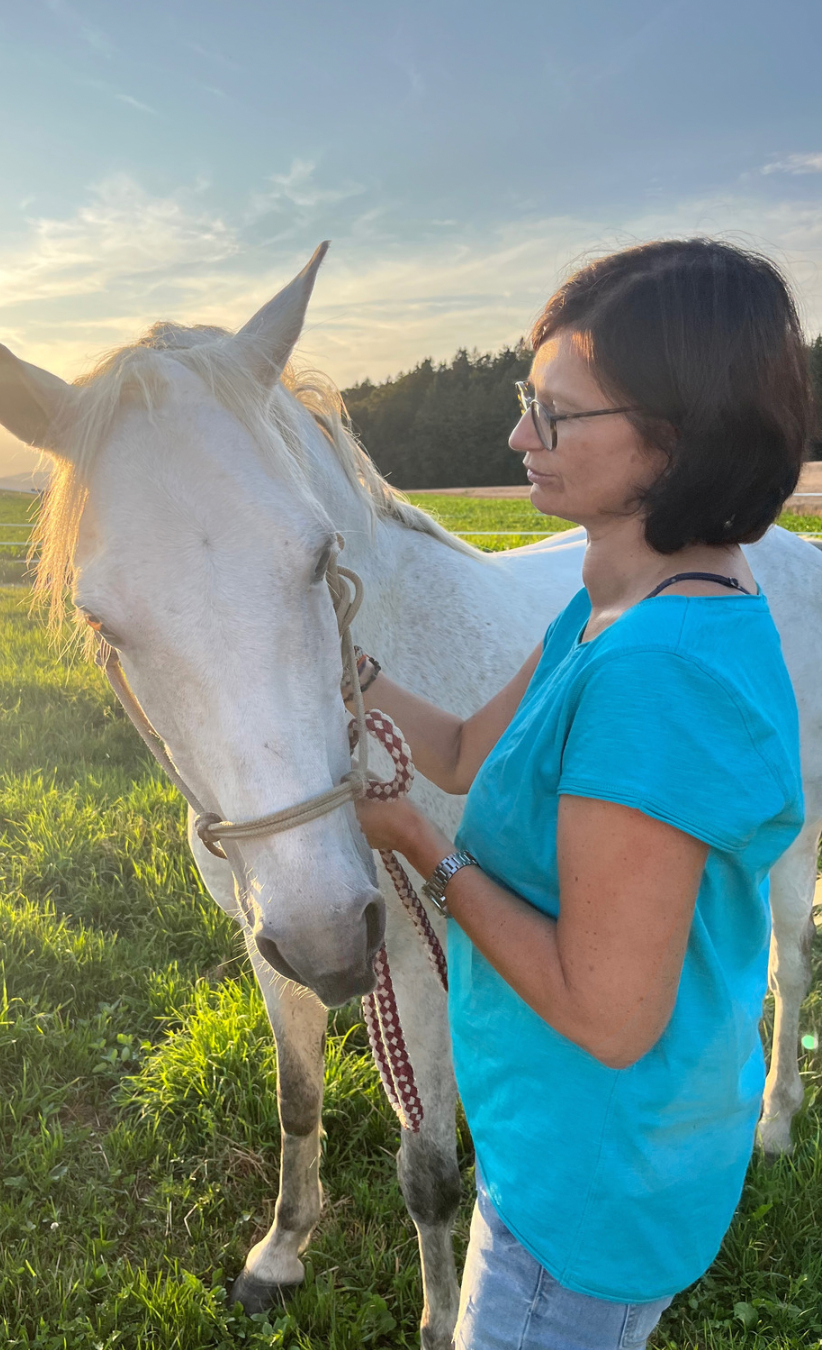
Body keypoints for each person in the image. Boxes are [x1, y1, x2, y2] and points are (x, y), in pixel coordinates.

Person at [350, 239, 808, 1350]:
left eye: (554, 414)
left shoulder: (656, 673)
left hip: (590, 1189)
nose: (517, 438)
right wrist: (345, 670)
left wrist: (421, 847)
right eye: (525, 400)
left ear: (677, 435)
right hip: (581, 1141)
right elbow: (464, 750)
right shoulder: (618, 601)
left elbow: (609, 1014)